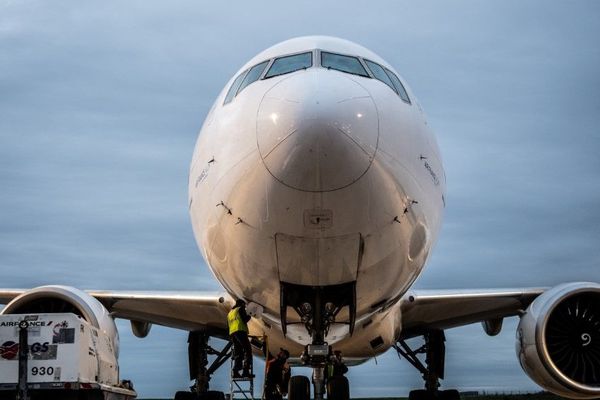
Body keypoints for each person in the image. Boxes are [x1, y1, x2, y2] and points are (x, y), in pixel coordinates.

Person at [228, 299, 253, 378]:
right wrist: (250, 314)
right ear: (242, 304)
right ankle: (246, 371)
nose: (245, 306)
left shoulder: (231, 312)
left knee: (238, 352)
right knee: (247, 350)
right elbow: (245, 319)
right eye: (244, 305)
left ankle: (236, 371)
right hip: (240, 331)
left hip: (233, 333)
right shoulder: (240, 309)